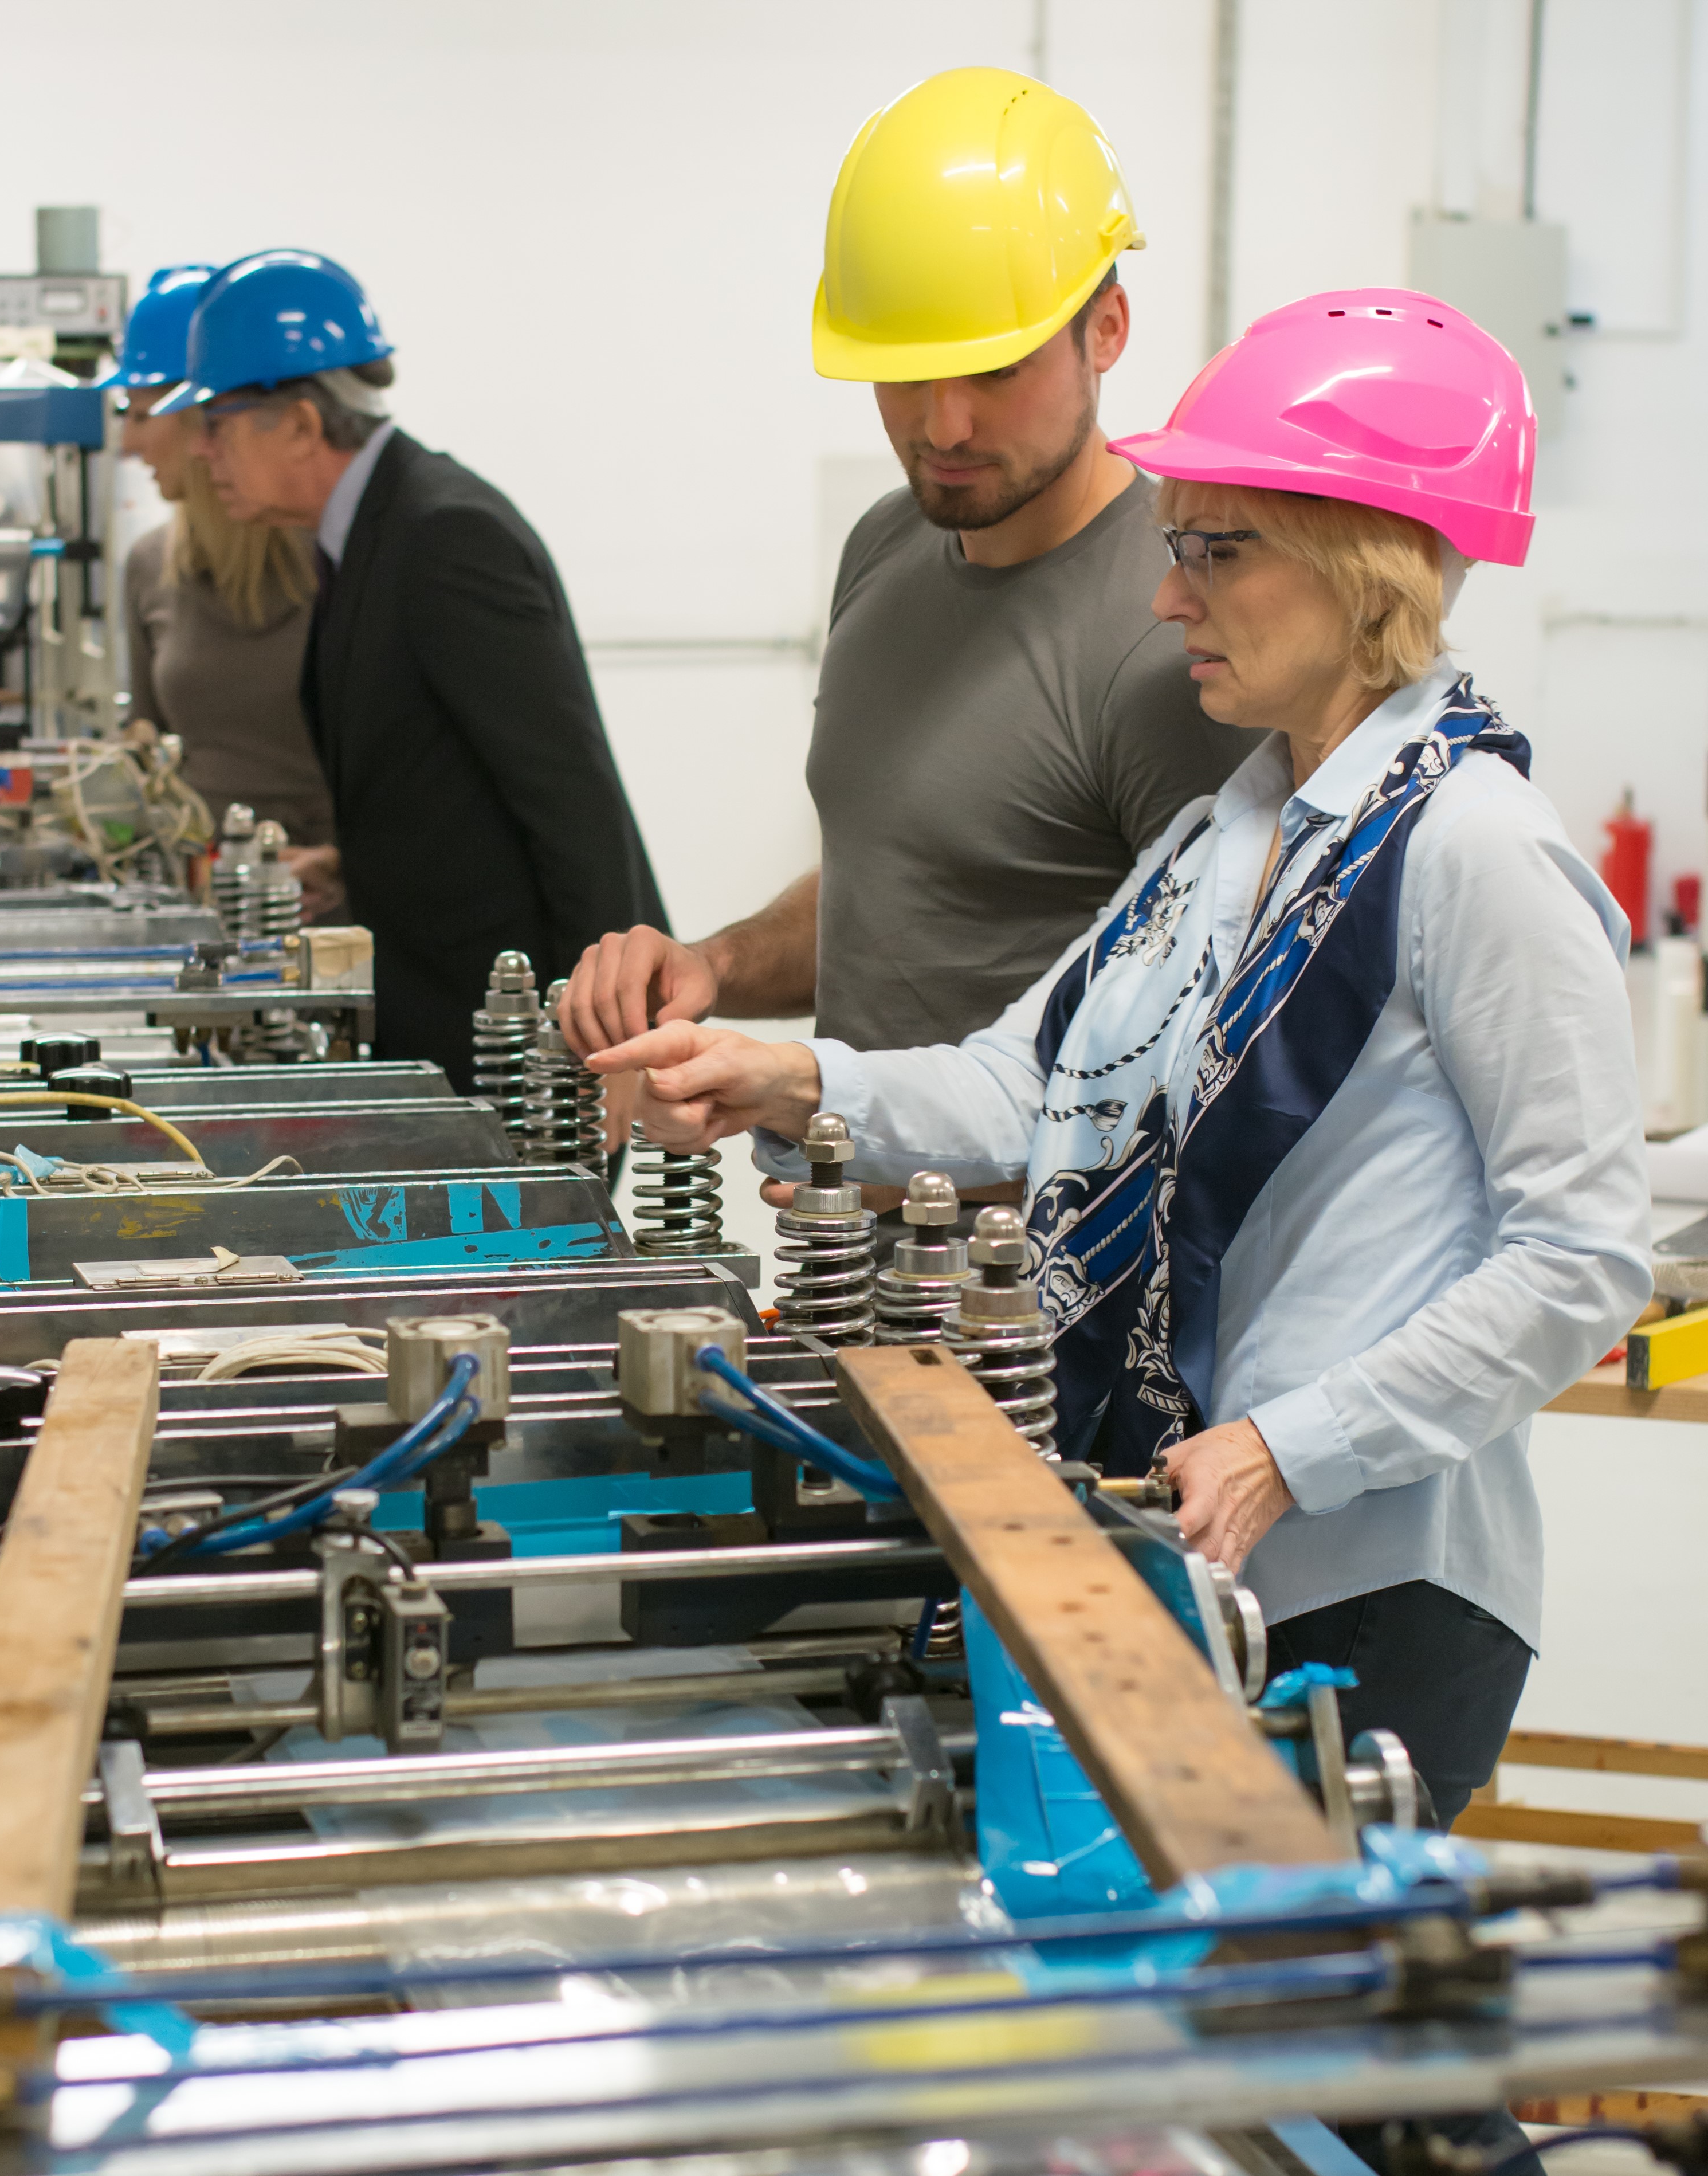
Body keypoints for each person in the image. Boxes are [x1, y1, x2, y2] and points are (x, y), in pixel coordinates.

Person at [587, 289, 1650, 1848]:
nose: (1170, 598)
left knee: (1332, 2069)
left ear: (1366, 569)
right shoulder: (1230, 831)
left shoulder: (1477, 849)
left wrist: (1297, 1447)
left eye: (1219, 550)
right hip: (1180, 1547)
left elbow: (1582, 1254)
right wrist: (790, 1083)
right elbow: (1039, 1092)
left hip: (1376, 1585)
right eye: (1178, 543)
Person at [559, 69, 1244, 1195]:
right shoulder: (888, 546)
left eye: (993, 367)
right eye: (905, 371)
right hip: (853, 1269)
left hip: (1032, 1317)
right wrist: (712, 965)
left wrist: (862, 1129)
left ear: (1106, 330)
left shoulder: (1168, 631)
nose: (943, 423)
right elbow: (897, 882)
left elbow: (1197, 1060)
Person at [156, 250, 665, 1089]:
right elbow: (442, 778)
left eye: (216, 423)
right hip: (439, 1010)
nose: (202, 453)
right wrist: (353, 861)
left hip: (520, 1040)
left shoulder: (444, 537)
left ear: (301, 423)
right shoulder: (363, 536)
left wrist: (611, 1048)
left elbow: (573, 801)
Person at [106, 266, 340, 907]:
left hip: (338, 902)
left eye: (140, 413)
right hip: (210, 904)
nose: (127, 443)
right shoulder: (150, 565)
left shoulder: (337, 559)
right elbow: (146, 741)